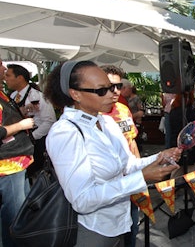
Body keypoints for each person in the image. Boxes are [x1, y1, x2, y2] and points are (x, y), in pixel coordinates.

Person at [44, 60, 182, 246]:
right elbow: (82, 200)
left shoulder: (107, 122)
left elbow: (127, 165)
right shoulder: (65, 132)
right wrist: (141, 177)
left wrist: (160, 157)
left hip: (120, 221)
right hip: (92, 229)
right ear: (75, 94)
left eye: (113, 87)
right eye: (102, 90)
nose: (113, 94)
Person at [100, 65, 140, 246]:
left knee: (132, 228)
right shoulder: (93, 114)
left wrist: (140, 172)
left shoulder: (123, 109)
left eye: (118, 86)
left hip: (129, 181)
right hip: (105, 187)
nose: (115, 91)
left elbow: (132, 142)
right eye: (110, 86)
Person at [0, 62, 35, 247]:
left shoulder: (3, 94)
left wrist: (18, 114)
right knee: (14, 216)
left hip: (18, 161)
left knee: (21, 212)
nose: (4, 69)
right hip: (8, 165)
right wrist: (21, 125)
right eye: (0, 64)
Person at [4, 64, 57, 182]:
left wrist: (32, 137)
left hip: (36, 142)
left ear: (20, 78)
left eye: (8, 75)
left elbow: (49, 121)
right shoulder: (12, 96)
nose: (5, 78)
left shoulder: (39, 96)